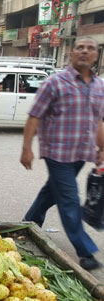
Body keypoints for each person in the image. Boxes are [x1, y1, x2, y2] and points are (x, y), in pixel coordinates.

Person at [20, 37, 104, 271]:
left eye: (91, 49)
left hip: (80, 153)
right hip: (56, 152)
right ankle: (85, 251)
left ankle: (29, 222)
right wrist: (26, 148)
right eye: (80, 48)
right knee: (69, 199)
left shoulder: (100, 87)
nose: (85, 52)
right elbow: (34, 116)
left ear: (96, 55)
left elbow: (98, 120)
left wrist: (101, 149)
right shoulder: (55, 83)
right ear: (70, 53)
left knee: (53, 191)